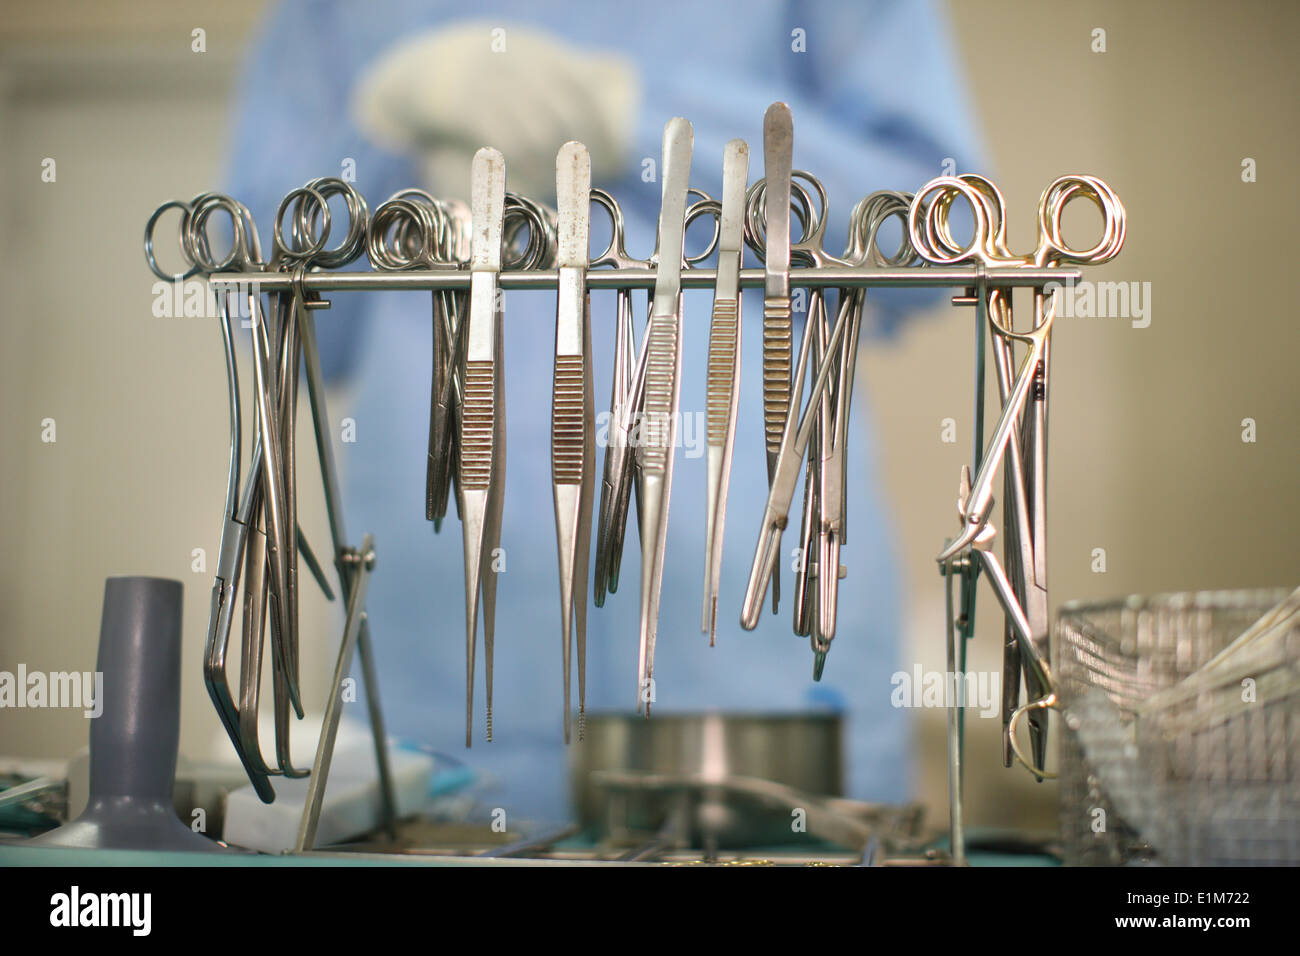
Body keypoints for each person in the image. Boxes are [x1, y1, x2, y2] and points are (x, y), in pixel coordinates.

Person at [227, 0, 984, 822]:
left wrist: (640, 113)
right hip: (435, 666)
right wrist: (381, 125)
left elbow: (937, 236)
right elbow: (275, 311)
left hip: (757, 665)